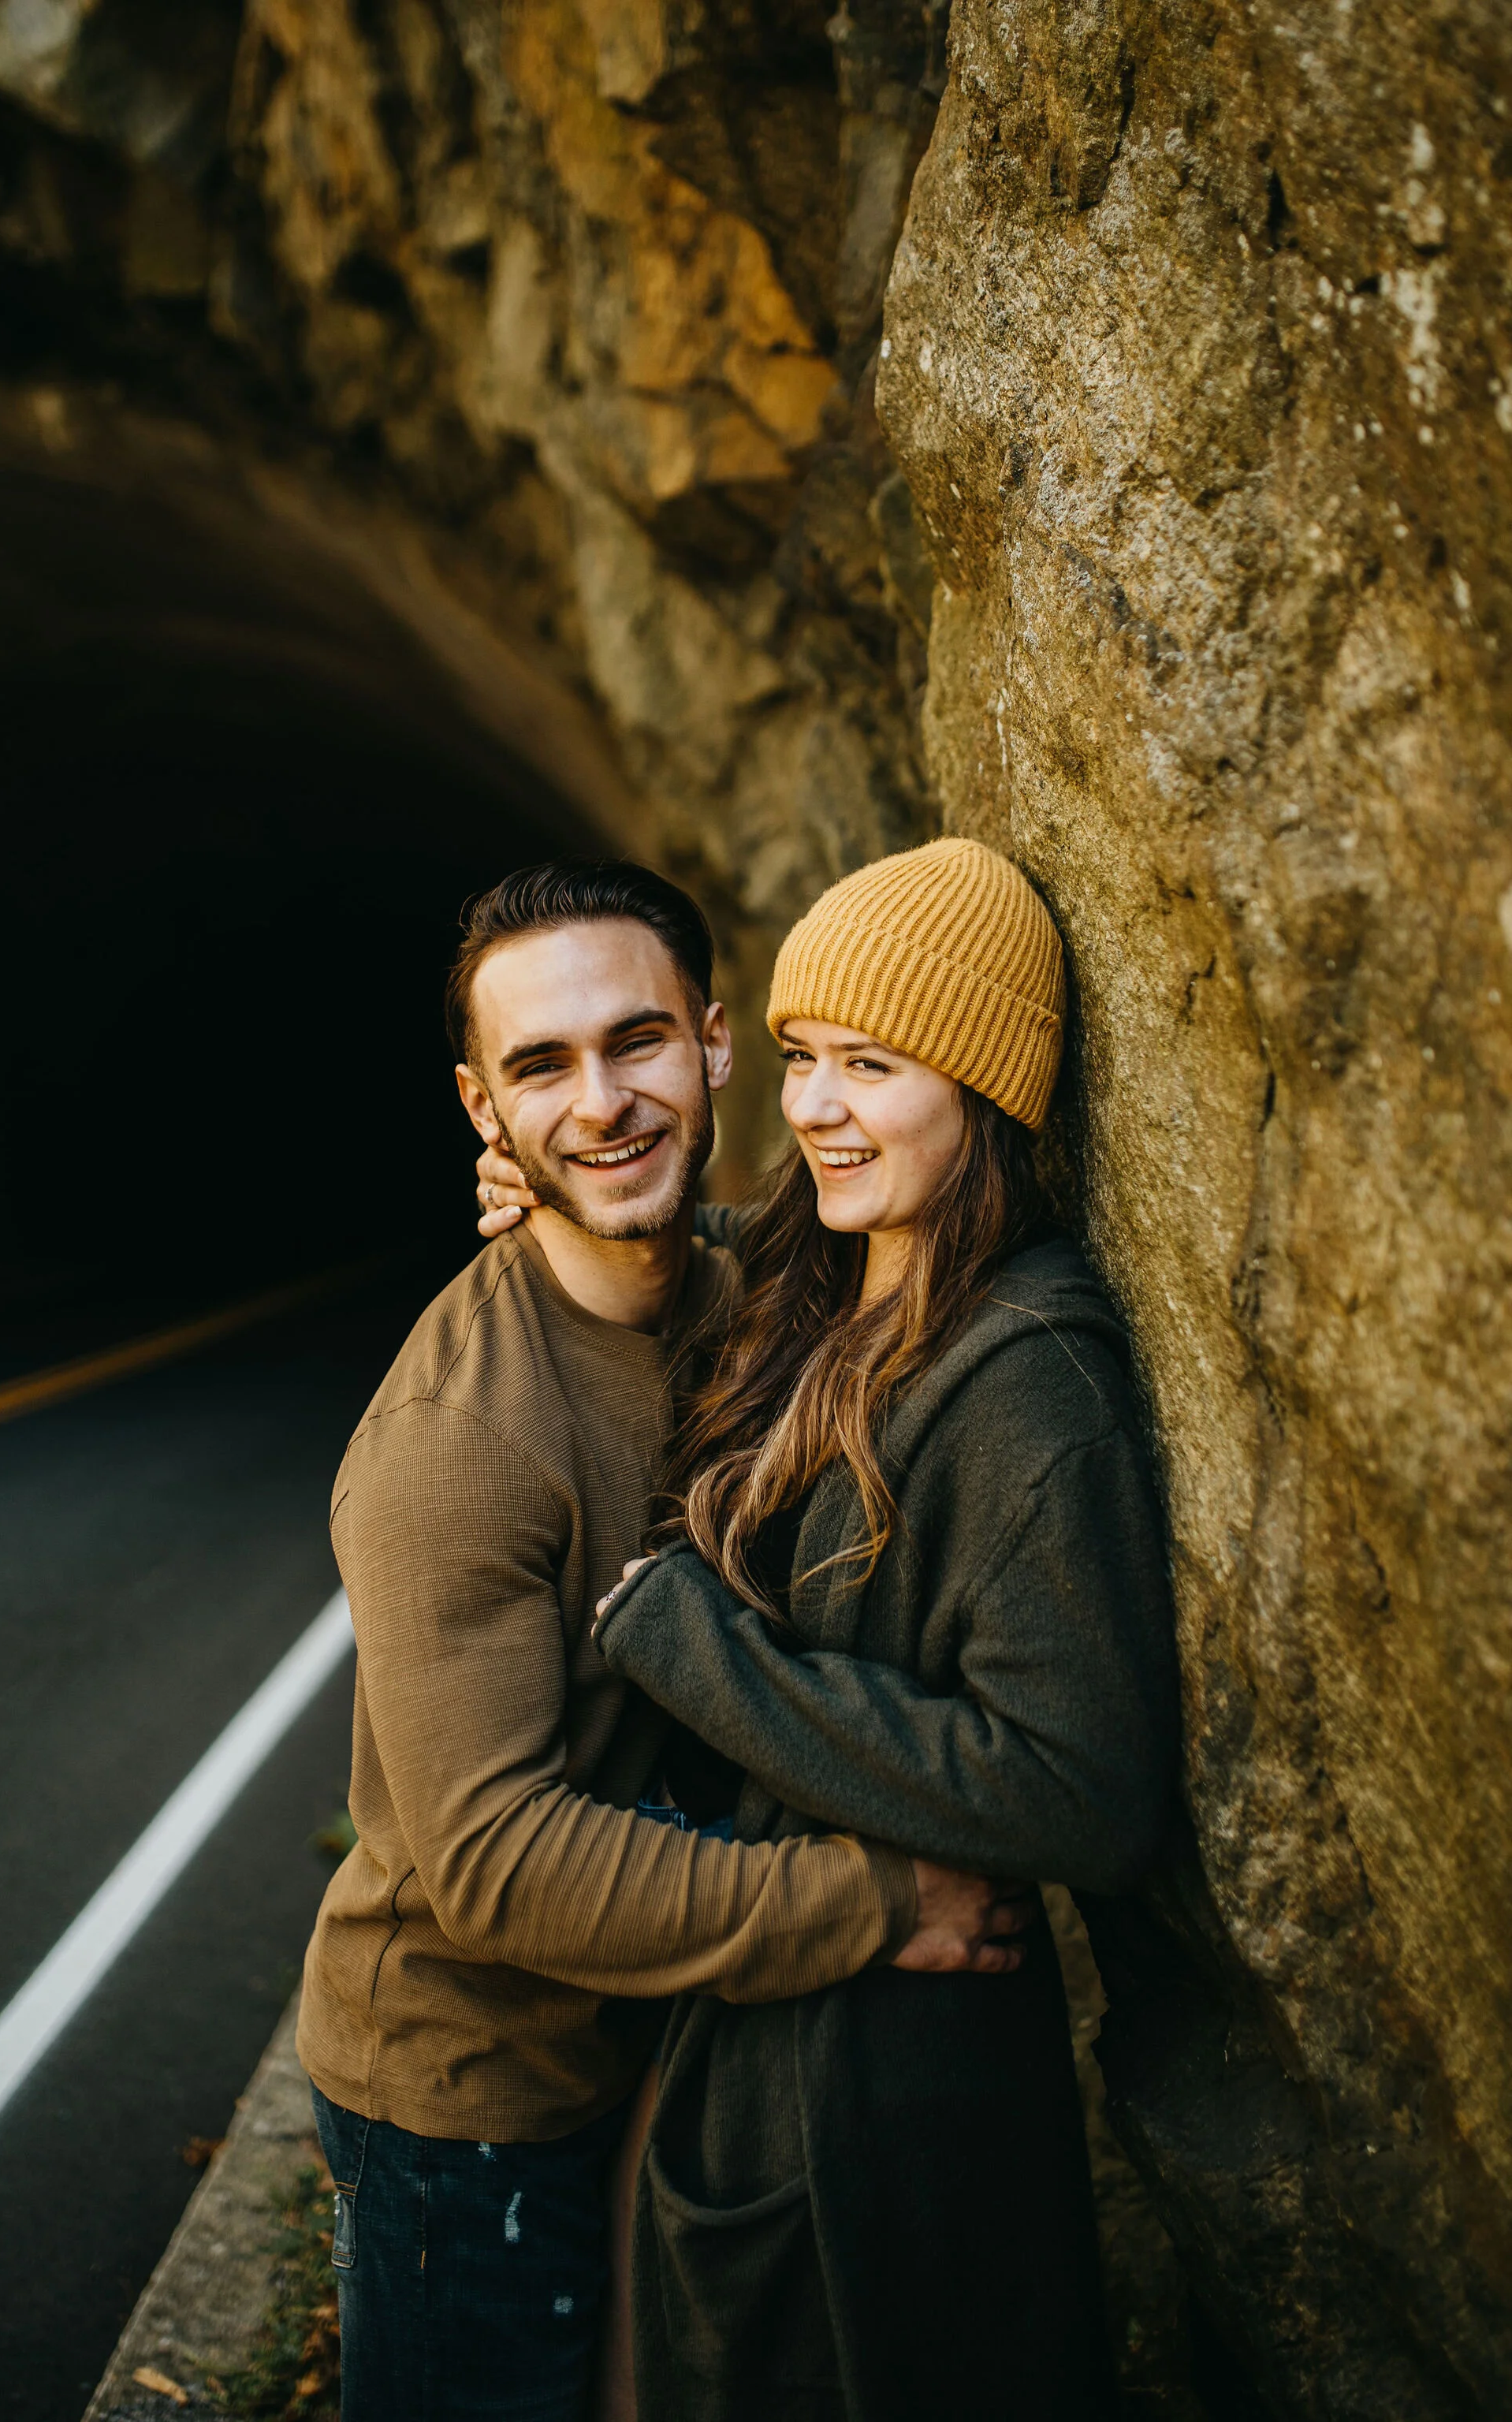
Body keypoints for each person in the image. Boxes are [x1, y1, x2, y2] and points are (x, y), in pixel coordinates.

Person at [295, 859, 1032, 2422]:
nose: (601, 1102)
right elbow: (491, 1861)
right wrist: (868, 1900)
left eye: (633, 1043)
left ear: (709, 1044)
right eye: (539, 1071)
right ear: (482, 1112)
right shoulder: (455, 1447)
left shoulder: (735, 1294)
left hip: (657, 2028)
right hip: (471, 2103)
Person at [482, 836, 1179, 2420]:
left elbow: (1083, 1790)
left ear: (984, 1091)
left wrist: (694, 1645)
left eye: (871, 1065)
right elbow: (701, 1234)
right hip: (766, 2048)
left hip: (892, 2108)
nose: (809, 1107)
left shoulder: (1025, 1386)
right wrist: (554, 1191)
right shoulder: (835, 1279)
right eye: (800, 1057)